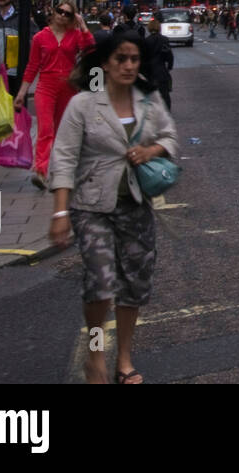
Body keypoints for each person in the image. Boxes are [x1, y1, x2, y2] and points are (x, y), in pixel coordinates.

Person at [49, 32, 179, 385]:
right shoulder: (84, 105)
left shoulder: (148, 102)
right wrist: (60, 212)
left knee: (134, 284)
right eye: (120, 59)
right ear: (105, 63)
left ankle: (123, 358)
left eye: (134, 59)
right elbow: (62, 159)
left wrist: (151, 152)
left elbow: (170, 139)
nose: (128, 65)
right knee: (100, 282)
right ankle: (95, 356)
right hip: (91, 206)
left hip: (136, 205)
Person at [15, 0, 96, 190]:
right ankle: (41, 171)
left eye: (68, 13)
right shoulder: (40, 37)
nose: (62, 15)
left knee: (63, 132)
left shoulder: (75, 35)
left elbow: (90, 51)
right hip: (46, 87)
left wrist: (83, 26)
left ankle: (60, 170)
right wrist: (22, 92)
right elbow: (32, 66)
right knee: (45, 129)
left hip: (68, 87)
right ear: (54, 11)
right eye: (60, 11)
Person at [142, 13, 175, 111]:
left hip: (150, 72)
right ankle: (166, 113)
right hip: (161, 70)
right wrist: (169, 67)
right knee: (165, 95)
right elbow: (169, 55)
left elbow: (144, 57)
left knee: (151, 95)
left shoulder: (146, 41)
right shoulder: (164, 39)